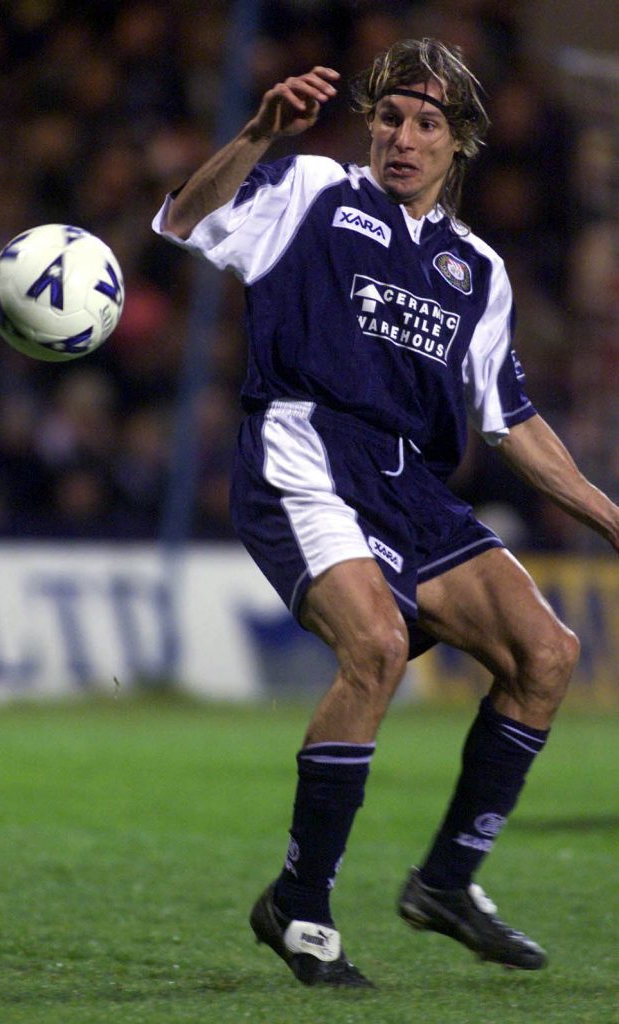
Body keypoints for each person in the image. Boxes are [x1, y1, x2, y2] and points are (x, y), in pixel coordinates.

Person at [152, 38, 619, 988]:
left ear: (461, 145)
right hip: (303, 447)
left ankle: (446, 883)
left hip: (408, 483)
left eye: (427, 124)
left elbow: (510, 420)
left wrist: (606, 513)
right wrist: (254, 133)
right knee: (373, 646)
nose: (402, 138)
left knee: (547, 654)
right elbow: (181, 219)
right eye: (390, 118)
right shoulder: (311, 188)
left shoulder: (476, 270)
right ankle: (301, 907)